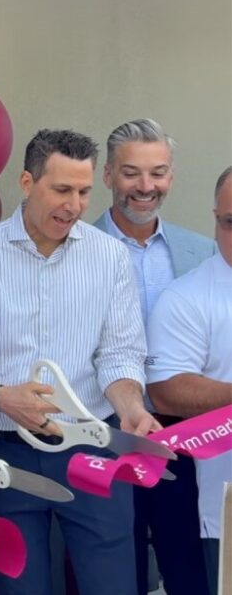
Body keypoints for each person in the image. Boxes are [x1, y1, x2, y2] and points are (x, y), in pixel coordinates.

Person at [0, 129, 158, 594]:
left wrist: (131, 407)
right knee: (20, 587)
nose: (75, 205)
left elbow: (120, 353)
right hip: (5, 449)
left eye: (84, 191)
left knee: (114, 585)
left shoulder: (110, 258)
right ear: (27, 182)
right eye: (61, 189)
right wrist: (1, 396)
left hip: (93, 448)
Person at [96, 118, 215, 594]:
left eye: (158, 172)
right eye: (131, 173)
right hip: (106, 436)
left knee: (190, 569)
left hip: (184, 439)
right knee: (114, 571)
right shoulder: (78, 250)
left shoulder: (201, 251)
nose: (146, 187)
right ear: (107, 176)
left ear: (171, 175)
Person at [146, 166, 232, 595]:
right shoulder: (187, 297)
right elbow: (166, 390)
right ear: (215, 219)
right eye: (230, 222)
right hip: (225, 506)